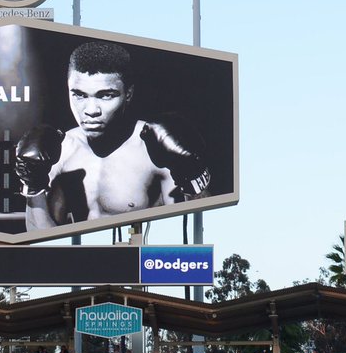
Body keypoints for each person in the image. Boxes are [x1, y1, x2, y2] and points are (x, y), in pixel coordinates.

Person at [15, 41, 211, 229]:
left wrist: (193, 179)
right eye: (79, 95)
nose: (91, 110)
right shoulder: (60, 150)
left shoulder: (155, 148)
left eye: (106, 95)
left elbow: (191, 237)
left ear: (128, 94)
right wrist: (33, 187)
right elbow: (41, 239)